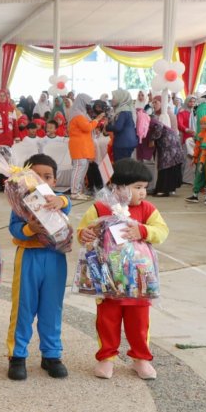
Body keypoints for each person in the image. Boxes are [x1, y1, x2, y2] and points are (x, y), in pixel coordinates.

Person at [77, 158, 168, 380]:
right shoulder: (100, 207)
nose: (143, 193)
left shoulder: (147, 209)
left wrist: (143, 231)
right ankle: (106, 358)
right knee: (107, 319)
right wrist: (85, 234)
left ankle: (141, 358)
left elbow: (162, 231)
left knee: (139, 322)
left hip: (139, 280)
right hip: (109, 278)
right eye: (137, 187)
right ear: (118, 186)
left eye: (145, 188)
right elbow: (83, 231)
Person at [6, 154, 71, 380]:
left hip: (55, 258)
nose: (42, 181)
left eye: (48, 176)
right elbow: (14, 228)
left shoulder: (57, 199)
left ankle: (51, 355)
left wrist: (60, 201)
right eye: (36, 176)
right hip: (28, 257)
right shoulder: (20, 203)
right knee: (24, 308)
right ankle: (17, 355)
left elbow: (67, 203)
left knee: (52, 308)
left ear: (54, 181)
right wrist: (29, 229)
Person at [68, 94, 105, 200]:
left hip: (82, 145)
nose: (89, 105)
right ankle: (74, 192)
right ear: (82, 103)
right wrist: (97, 119)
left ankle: (78, 191)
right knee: (78, 168)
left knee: (82, 168)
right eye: (87, 103)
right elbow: (87, 128)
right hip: (79, 145)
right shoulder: (78, 115)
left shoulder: (81, 114)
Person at [147, 113, 184, 197]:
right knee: (168, 169)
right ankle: (163, 189)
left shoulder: (155, 123)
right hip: (171, 148)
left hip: (169, 149)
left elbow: (157, 133)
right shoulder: (156, 123)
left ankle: (163, 190)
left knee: (165, 169)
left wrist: (151, 139)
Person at [185, 116, 206, 203]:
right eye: (201, 124)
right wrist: (195, 157)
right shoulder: (201, 134)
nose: (202, 125)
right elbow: (197, 147)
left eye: (205, 123)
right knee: (199, 175)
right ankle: (195, 194)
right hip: (202, 157)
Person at [106, 89, 138, 161]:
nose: (112, 99)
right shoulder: (127, 110)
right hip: (128, 142)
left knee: (121, 167)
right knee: (126, 166)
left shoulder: (123, 111)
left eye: (114, 97)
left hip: (123, 143)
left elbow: (118, 127)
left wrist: (107, 127)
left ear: (121, 98)